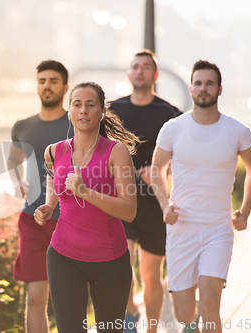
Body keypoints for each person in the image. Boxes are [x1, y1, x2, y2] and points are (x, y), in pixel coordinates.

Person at [151, 60, 251, 333]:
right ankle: (193, 318)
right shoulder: (173, 129)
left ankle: (206, 311)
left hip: (218, 229)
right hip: (181, 229)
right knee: (184, 315)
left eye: (209, 83)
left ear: (219, 89)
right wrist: (165, 205)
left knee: (210, 304)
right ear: (191, 88)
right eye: (198, 83)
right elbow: (156, 170)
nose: (203, 88)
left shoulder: (237, 131)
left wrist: (245, 210)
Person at [34, 82, 140, 333]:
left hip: (110, 261)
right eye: (77, 105)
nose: (83, 111)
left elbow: (129, 211)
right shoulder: (53, 151)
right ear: (69, 111)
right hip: (63, 256)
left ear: (102, 111)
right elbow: (53, 176)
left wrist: (85, 192)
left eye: (90, 105)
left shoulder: (117, 152)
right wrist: (49, 205)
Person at [109, 49, 182, 333]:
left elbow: (181, 161)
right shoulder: (112, 111)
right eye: (135, 67)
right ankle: (130, 317)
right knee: (122, 269)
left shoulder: (170, 114)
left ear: (155, 75)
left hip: (155, 205)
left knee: (151, 275)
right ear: (129, 74)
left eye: (146, 67)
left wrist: (160, 175)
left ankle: (152, 329)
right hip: (120, 201)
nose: (140, 71)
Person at [7, 60, 73, 333]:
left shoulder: (75, 123)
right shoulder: (23, 126)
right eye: (42, 81)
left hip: (71, 221)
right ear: (37, 86)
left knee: (68, 299)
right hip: (32, 220)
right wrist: (17, 181)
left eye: (53, 81)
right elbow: (13, 160)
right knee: (35, 297)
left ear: (65, 87)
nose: (47, 86)